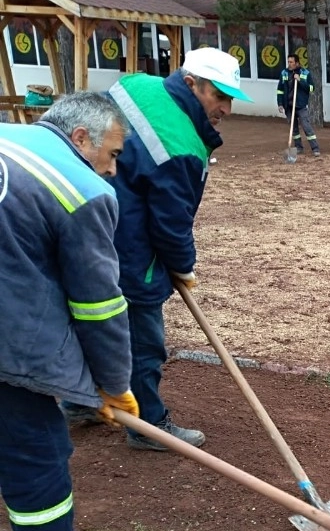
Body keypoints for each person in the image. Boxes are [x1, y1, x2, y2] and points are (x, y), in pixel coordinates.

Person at [62, 47, 253, 450]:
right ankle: (148, 425)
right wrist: (183, 266)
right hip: (130, 248)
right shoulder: (182, 145)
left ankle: (81, 401)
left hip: (77, 224)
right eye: (218, 96)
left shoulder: (135, 84)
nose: (226, 108)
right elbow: (170, 223)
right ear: (190, 84)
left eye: (229, 98)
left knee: (86, 318)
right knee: (143, 338)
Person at [0, 92, 140, 531]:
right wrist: (114, 385)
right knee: (34, 451)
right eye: (115, 154)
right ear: (81, 139)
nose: (113, 169)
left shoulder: (6, 138)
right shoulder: (82, 191)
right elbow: (99, 308)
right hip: (8, 344)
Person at [277, 53, 320, 157]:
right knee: (294, 129)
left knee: (306, 126)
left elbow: (312, 88)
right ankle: (298, 147)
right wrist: (280, 103)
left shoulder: (305, 73)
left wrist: (300, 81)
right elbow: (280, 90)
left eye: (291, 62)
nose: (289, 64)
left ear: (297, 63)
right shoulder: (284, 73)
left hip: (300, 105)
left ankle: (315, 148)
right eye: (288, 62)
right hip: (289, 106)